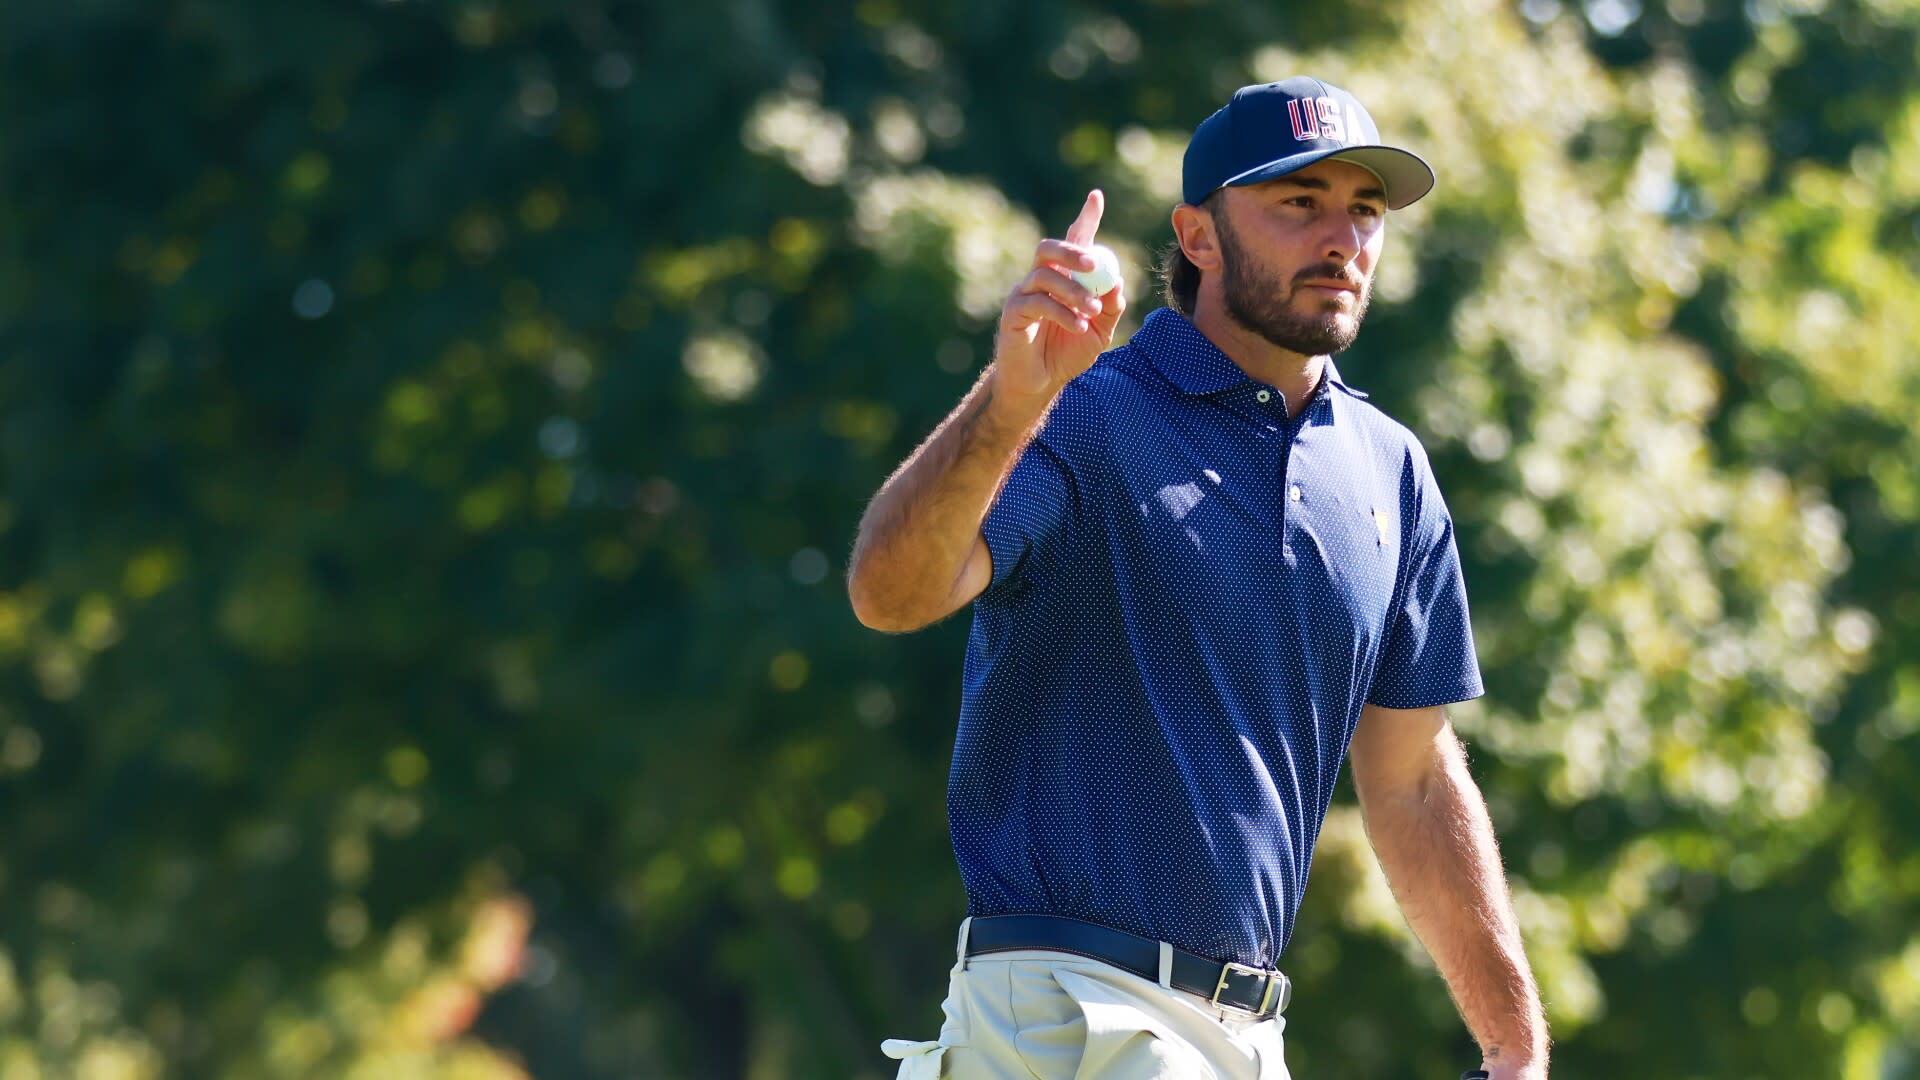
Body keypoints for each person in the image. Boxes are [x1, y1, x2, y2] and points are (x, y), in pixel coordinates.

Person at [847, 76, 1548, 1080]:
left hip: (1246, 1037)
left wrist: (1513, 1041)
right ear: (1200, 236)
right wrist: (1010, 403)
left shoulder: (1393, 473)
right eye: (1299, 204)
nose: (1341, 239)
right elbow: (891, 593)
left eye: (1364, 210)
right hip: (1072, 1016)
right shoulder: (1089, 413)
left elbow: (1418, 782)